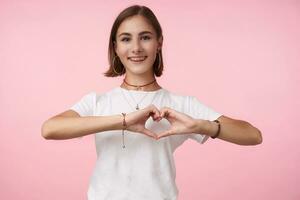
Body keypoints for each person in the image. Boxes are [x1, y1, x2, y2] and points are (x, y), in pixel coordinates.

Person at [41, 4, 263, 200]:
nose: (136, 47)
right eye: (126, 39)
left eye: (145, 37)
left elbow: (253, 135)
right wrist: (123, 121)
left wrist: (202, 126)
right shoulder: (98, 101)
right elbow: (50, 129)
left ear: (159, 43)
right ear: (116, 47)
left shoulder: (181, 104)